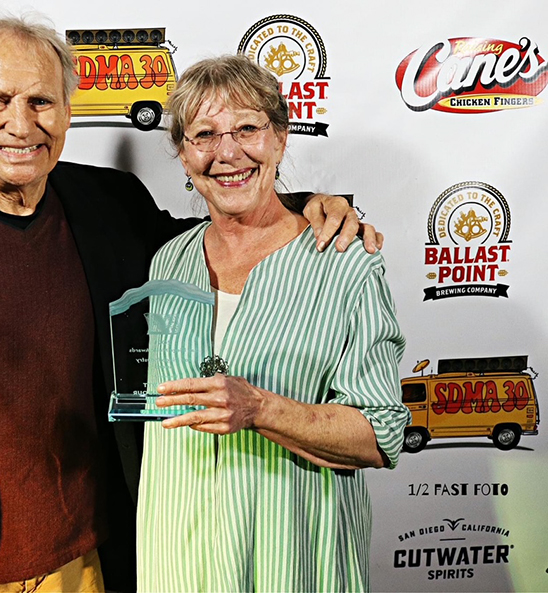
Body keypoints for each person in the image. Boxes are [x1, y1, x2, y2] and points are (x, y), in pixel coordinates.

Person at [0, 16, 377, 593]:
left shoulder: (109, 202)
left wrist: (309, 204)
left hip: (93, 561)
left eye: (41, 101)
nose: (20, 124)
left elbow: (220, 232)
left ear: (67, 111)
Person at [136, 54, 410, 592]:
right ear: (184, 155)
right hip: (176, 557)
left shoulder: (345, 262)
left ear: (280, 139)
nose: (227, 152)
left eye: (247, 129)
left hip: (293, 557)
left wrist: (261, 408)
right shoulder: (168, 262)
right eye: (204, 135)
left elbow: (381, 435)